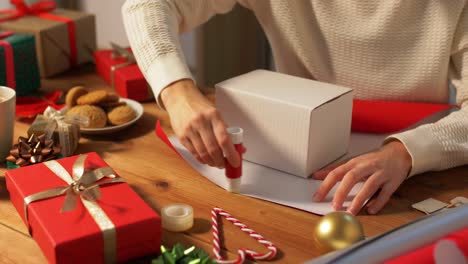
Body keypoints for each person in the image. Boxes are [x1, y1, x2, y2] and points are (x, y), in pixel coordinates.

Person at [122, 1, 468, 215]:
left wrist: (406, 153)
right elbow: (145, 5)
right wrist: (177, 91)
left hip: (415, 172)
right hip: (292, 159)